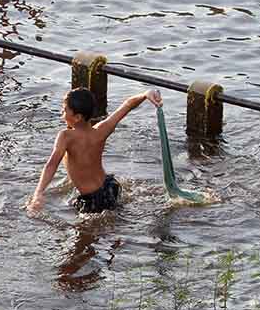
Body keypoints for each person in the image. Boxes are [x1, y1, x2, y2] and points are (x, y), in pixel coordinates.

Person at [28, 87, 162, 214]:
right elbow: (127, 105)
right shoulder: (101, 130)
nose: (62, 114)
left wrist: (38, 193)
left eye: (64, 110)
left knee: (86, 234)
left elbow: (51, 164)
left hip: (92, 199)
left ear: (77, 117)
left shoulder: (65, 136)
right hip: (110, 187)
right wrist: (145, 94)